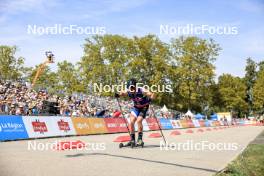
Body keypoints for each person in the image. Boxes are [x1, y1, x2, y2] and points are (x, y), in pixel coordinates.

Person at [115, 78, 155, 146]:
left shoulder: (141, 89)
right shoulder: (129, 90)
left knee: (139, 121)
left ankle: (139, 139)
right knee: (131, 121)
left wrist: (151, 98)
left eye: (132, 88)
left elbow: (152, 94)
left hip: (144, 107)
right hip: (136, 107)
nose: (131, 90)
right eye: (130, 88)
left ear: (135, 86)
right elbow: (123, 93)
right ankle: (132, 139)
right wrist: (118, 95)